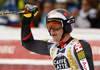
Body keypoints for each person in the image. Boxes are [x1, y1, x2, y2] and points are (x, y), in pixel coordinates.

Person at [21, 4, 94, 70]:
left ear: (66, 26)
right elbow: (28, 43)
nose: (51, 30)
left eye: (55, 25)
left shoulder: (78, 46)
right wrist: (26, 20)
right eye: (49, 26)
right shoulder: (52, 46)